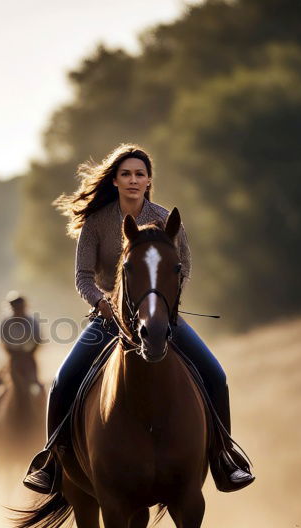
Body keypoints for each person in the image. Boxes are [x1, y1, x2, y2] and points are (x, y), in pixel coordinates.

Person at [22, 144, 254, 494]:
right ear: (114, 180)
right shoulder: (97, 222)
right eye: (126, 174)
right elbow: (83, 275)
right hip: (108, 319)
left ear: (149, 181)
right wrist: (101, 301)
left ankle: (224, 458)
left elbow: (183, 267)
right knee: (62, 381)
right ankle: (52, 463)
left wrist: (165, 305)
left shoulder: (167, 219)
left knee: (216, 376)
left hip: (160, 318)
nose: (133, 180)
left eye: (140, 174)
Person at [0, 291, 45, 440]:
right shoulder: (4, 321)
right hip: (8, 361)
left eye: (20, 306)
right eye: (15, 307)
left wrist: (28, 355)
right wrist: (11, 356)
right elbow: (1, 343)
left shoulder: (32, 321)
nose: (18, 310)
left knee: (39, 390)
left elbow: (38, 341)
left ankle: (45, 428)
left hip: (28, 361)